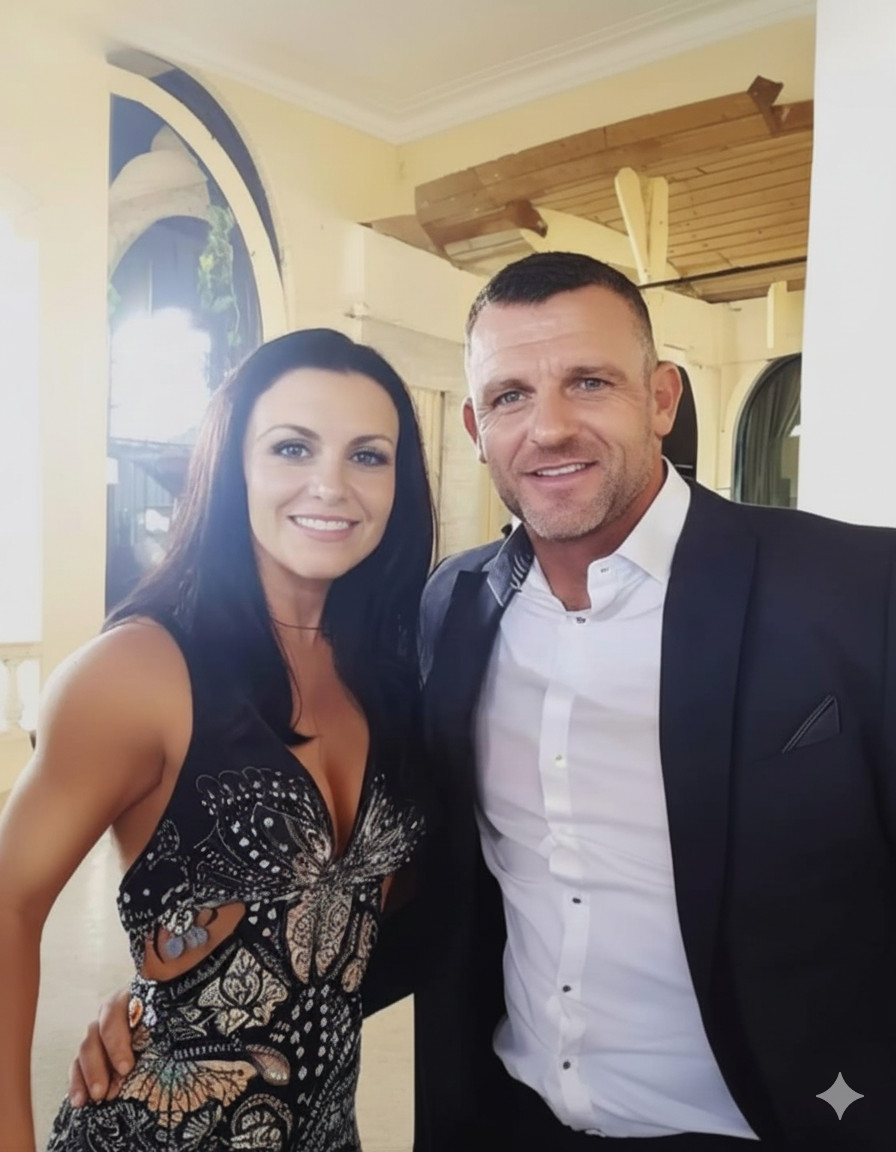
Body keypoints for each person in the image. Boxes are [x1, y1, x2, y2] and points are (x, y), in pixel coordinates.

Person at [70, 253, 896, 1150]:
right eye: (509, 396)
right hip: (503, 1117)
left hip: (773, 1126)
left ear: (662, 399)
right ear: (474, 425)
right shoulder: (452, 606)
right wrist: (197, 997)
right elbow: (427, 875)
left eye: (589, 382)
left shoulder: (857, 589)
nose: (550, 427)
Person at [0, 327, 434, 1152]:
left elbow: (386, 913)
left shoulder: (393, 671)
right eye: (292, 447)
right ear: (232, 465)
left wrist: (170, 983)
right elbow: (7, 905)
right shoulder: (140, 671)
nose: (331, 485)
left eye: (367, 456)